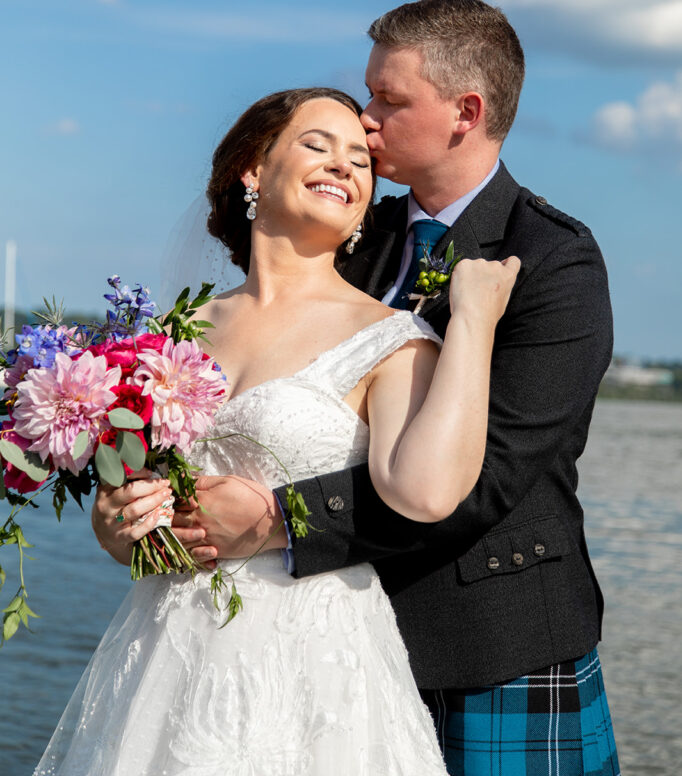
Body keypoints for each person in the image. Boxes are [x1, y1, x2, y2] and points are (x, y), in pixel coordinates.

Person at [166, 0, 621, 775]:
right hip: (330, 640)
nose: (366, 121)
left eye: (389, 99)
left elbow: (488, 475)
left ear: (464, 112)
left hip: (488, 646)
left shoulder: (551, 261)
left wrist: (278, 518)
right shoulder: (350, 234)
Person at [35, 86, 519, 776]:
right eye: (317, 145)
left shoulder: (388, 339)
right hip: (160, 651)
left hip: (310, 667)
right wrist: (117, 525)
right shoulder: (172, 334)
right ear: (253, 170)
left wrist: (471, 320)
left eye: (360, 159)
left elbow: (427, 493)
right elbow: (133, 492)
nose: (345, 166)